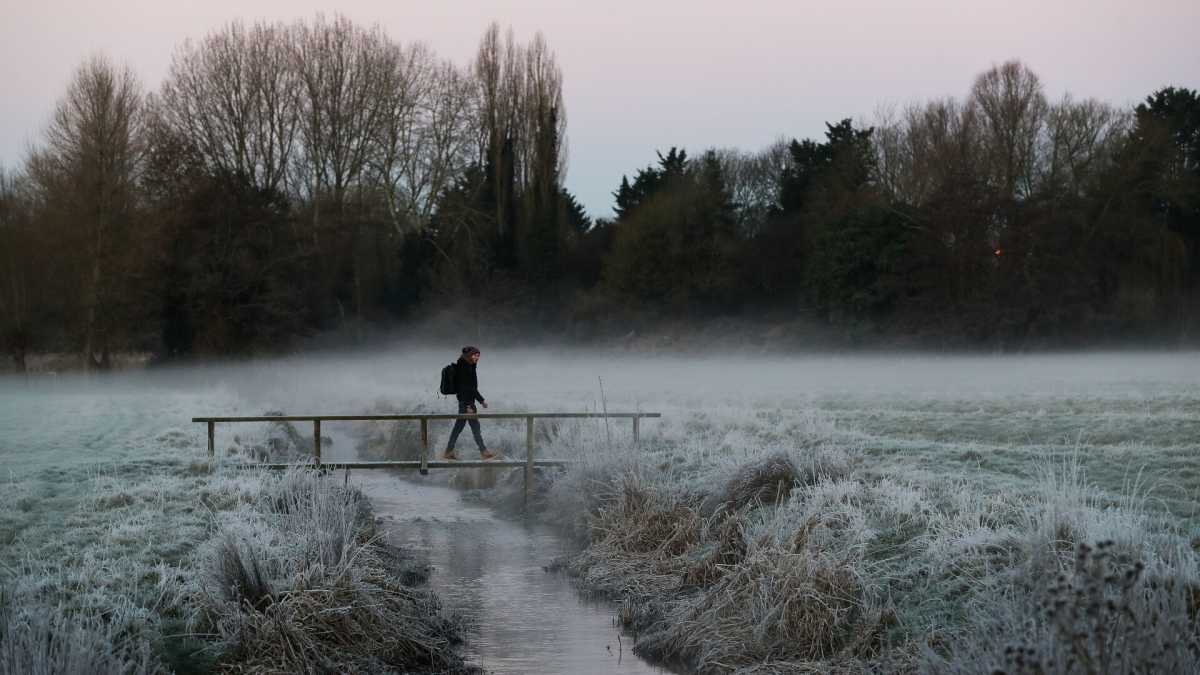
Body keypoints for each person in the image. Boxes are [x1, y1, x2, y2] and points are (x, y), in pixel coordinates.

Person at [443, 346, 495, 460]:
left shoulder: (469, 366)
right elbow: (465, 388)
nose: (477, 357)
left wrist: (481, 401)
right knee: (475, 428)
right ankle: (483, 451)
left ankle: (449, 451)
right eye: (475, 355)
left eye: (478, 355)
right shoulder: (464, 369)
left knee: (459, 428)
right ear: (468, 356)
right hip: (467, 404)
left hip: (467, 402)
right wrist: (468, 405)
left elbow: (472, 388)